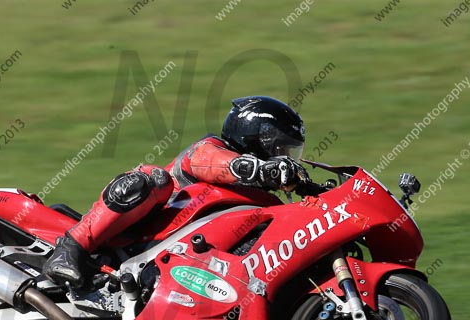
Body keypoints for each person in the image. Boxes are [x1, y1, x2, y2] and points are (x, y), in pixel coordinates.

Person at [43, 95, 307, 287]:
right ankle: (71, 248)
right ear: (257, 139)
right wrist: (259, 169)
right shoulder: (210, 150)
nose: (284, 157)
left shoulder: (262, 200)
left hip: (184, 267)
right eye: (281, 149)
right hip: (139, 238)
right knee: (154, 179)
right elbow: (213, 162)